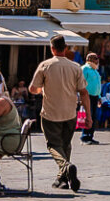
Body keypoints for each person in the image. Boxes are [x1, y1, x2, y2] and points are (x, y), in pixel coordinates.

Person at [30, 35, 90, 192]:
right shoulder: (76, 67)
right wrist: (89, 116)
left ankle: (66, 167)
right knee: (65, 145)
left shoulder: (45, 66)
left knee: (54, 145)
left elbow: (32, 89)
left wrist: (42, 89)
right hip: (70, 113)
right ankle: (62, 178)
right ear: (66, 48)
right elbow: (84, 92)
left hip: (50, 113)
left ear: (52, 49)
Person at [80, 53, 103, 144]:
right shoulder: (85, 69)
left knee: (93, 116)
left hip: (95, 96)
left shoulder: (95, 70)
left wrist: (99, 96)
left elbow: (98, 85)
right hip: (87, 96)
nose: (97, 60)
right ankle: (85, 137)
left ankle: (90, 136)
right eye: (96, 58)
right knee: (88, 116)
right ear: (90, 59)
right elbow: (80, 83)